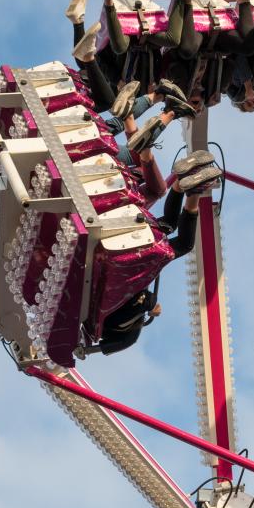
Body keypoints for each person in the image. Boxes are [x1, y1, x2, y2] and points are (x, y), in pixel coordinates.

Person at [81, 151, 221, 356]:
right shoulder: (101, 308)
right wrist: (84, 350)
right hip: (114, 250)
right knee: (166, 226)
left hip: (128, 261)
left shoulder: (125, 318)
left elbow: (143, 302)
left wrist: (150, 307)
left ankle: (192, 191)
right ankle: (182, 186)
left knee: (182, 243)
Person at [101, 0, 199, 94]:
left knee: (120, 47)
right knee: (173, 40)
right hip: (148, 39)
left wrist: (116, 80)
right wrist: (156, 88)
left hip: (128, 39)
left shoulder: (116, 82)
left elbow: (100, 58)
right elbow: (166, 62)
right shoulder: (153, 86)